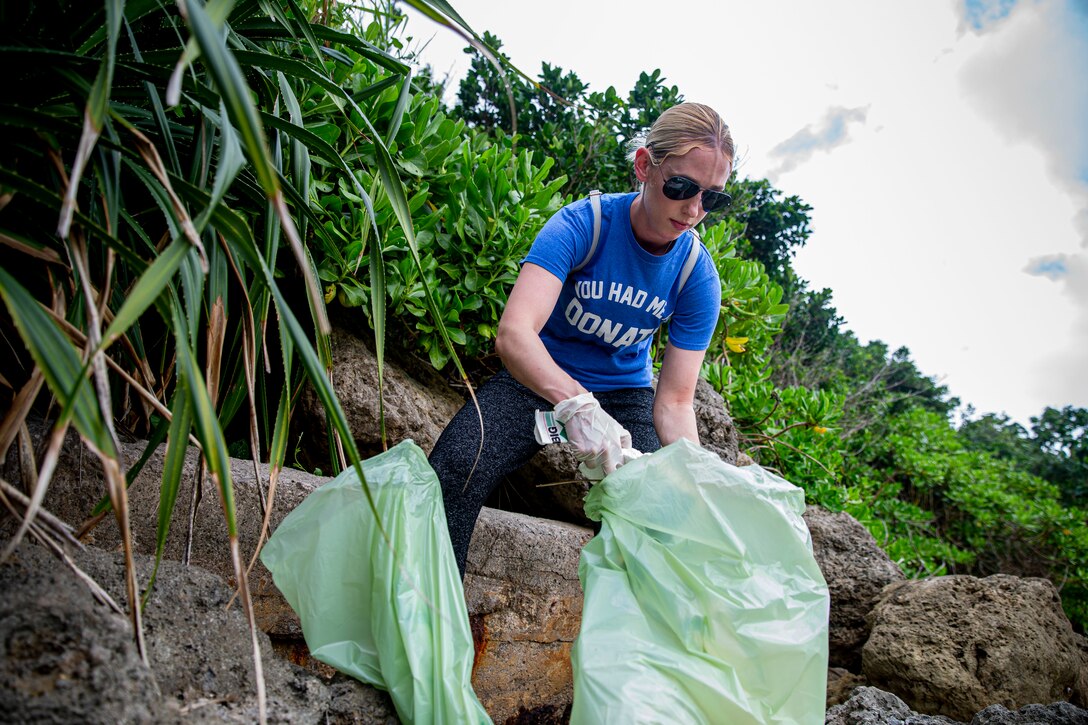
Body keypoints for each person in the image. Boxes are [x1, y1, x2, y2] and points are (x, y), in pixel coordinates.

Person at [430, 102, 734, 576]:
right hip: (539, 379)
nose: (694, 210)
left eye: (712, 198)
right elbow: (514, 335)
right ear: (643, 166)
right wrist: (575, 405)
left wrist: (692, 478)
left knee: (660, 517)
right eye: (681, 187)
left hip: (624, 396)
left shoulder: (697, 277)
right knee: (457, 466)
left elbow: (674, 402)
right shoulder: (582, 225)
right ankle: (430, 622)